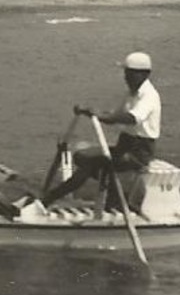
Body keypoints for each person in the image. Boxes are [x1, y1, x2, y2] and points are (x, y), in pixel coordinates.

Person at [39, 52, 161, 209]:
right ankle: (115, 199)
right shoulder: (130, 94)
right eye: (126, 73)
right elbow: (114, 116)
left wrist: (102, 116)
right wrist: (91, 112)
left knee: (92, 163)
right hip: (125, 146)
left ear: (144, 74)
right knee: (81, 157)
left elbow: (131, 118)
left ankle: (48, 200)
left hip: (139, 153)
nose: (126, 77)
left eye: (130, 73)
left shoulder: (149, 95)